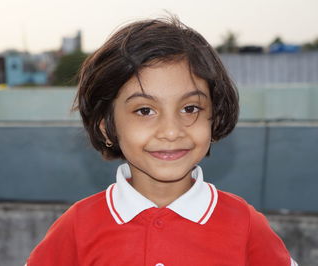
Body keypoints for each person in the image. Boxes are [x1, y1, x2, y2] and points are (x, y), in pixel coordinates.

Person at [26, 16, 297, 266]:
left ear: (214, 118)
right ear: (107, 128)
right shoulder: (77, 227)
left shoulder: (245, 225)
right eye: (144, 111)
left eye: (190, 108)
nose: (170, 131)